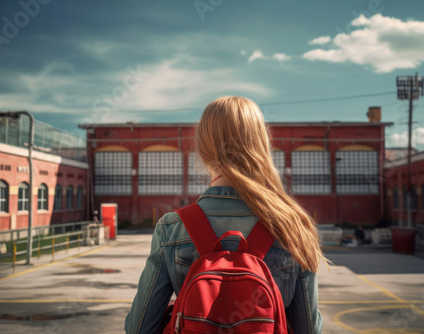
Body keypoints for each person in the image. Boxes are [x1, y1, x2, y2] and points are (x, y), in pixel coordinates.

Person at [125, 96, 326, 334]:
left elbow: (139, 329)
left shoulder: (172, 227)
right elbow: (309, 329)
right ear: (261, 144)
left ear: (202, 148)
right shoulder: (293, 226)